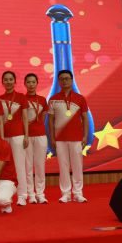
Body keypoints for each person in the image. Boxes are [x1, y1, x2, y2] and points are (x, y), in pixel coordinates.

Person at [48, 70, 89, 203]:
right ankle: (65, 193)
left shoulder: (80, 98)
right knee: (63, 166)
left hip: (76, 138)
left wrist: (85, 136)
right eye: (62, 79)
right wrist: (52, 138)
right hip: (60, 139)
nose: (64, 81)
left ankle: (78, 193)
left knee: (77, 166)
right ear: (59, 82)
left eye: (67, 78)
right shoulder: (53, 99)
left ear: (72, 80)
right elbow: (50, 121)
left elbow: (85, 118)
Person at [0, 71, 30, 206]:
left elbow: (25, 117)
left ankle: (22, 195)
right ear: (2, 82)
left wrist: (26, 135)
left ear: (15, 81)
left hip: (18, 136)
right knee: (5, 168)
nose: (8, 82)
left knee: (19, 166)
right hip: (5, 137)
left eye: (11, 79)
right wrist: (1, 138)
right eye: (6, 79)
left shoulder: (21, 97)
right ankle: (7, 195)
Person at [24, 73, 49, 204]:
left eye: (33, 82)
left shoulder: (42, 100)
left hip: (40, 136)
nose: (31, 84)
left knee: (40, 166)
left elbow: (43, 117)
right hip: (27, 137)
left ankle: (40, 193)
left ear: (37, 83)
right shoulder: (22, 99)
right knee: (27, 166)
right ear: (25, 84)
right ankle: (30, 194)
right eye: (28, 82)